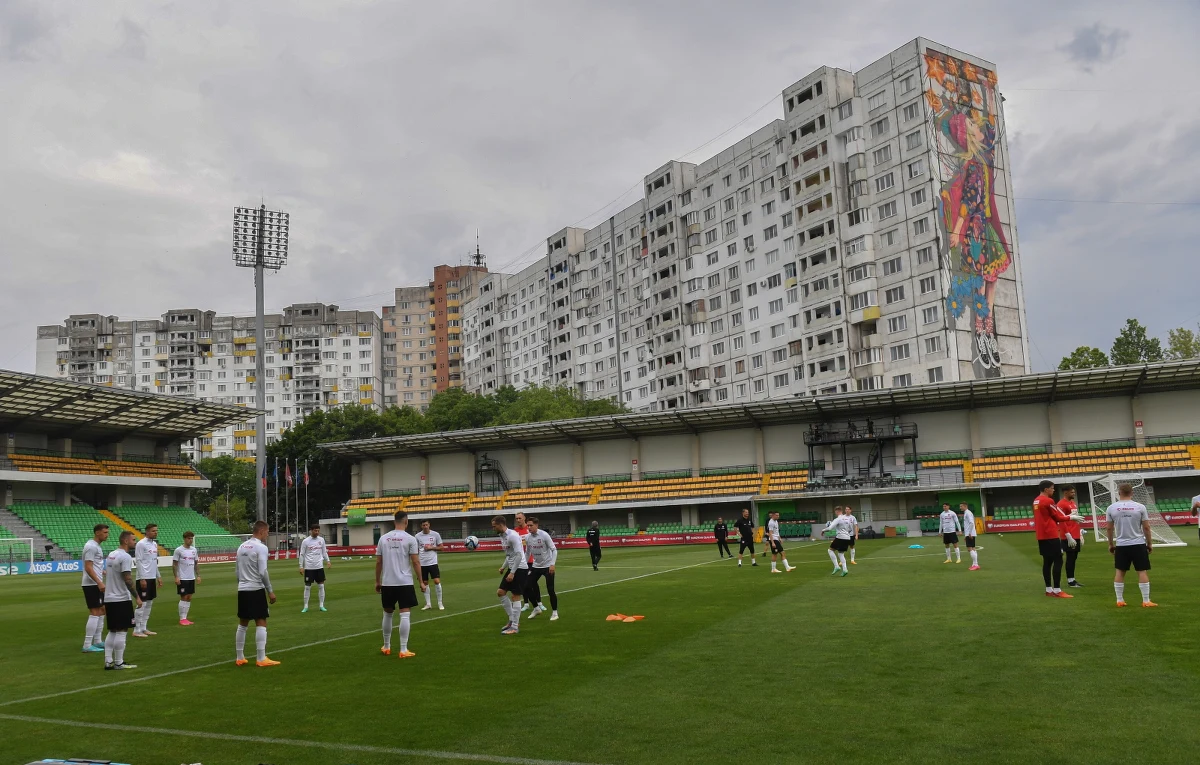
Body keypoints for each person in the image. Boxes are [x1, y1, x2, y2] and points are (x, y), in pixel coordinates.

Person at [375, 510, 424, 657]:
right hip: (404, 582)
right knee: (405, 615)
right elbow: (415, 561)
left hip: (388, 582)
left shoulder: (383, 538)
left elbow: (378, 562)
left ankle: (386, 646)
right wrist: (421, 581)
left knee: (387, 614)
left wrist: (378, 581)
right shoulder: (410, 539)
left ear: (393, 521)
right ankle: (403, 649)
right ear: (406, 521)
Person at [235, 520, 279, 667]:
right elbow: (263, 571)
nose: (267, 535)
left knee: (243, 623)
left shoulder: (241, 547)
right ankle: (261, 658)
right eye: (267, 532)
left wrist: (241, 584)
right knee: (261, 621)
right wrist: (270, 591)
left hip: (242, 588)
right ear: (261, 531)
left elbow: (236, 571)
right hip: (255, 588)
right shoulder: (261, 547)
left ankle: (240, 657)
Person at [1106, 483, 1156, 607]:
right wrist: (1149, 543)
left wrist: (1111, 544)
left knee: (1120, 572)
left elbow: (1109, 528)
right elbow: (1146, 527)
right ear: (1132, 493)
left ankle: (1119, 600)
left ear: (1119, 493)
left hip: (1122, 544)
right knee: (1142, 571)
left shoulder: (1111, 508)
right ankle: (1146, 601)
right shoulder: (1140, 507)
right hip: (1138, 543)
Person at [1034, 480, 1083, 598]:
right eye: (1052, 488)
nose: (1053, 490)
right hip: (1050, 534)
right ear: (1046, 489)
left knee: (1047, 562)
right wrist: (1071, 517)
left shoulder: (1036, 500)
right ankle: (1057, 590)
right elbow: (1056, 517)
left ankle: (1048, 589)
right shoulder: (1048, 500)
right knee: (1058, 560)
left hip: (1041, 535)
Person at [102, 531, 141, 670]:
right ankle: (119, 662)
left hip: (109, 597)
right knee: (122, 630)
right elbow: (127, 579)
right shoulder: (125, 557)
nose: (135, 542)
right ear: (126, 541)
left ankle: (108, 661)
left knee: (112, 630)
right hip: (120, 598)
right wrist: (136, 596)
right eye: (133, 540)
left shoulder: (111, 554)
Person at [493, 515, 529, 635]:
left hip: (520, 568)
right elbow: (510, 554)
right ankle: (512, 619)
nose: (493, 528)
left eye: (494, 526)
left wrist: (512, 572)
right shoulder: (502, 536)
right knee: (501, 592)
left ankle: (514, 627)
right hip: (512, 567)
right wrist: (503, 567)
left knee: (515, 596)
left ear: (500, 524)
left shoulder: (513, 536)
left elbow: (519, 555)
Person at [524, 516, 559, 621]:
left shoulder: (544, 535)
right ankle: (536, 608)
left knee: (550, 589)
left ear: (536, 525)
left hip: (547, 566)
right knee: (526, 587)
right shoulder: (527, 537)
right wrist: (524, 565)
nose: (529, 527)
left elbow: (554, 550)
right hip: (536, 566)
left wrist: (552, 564)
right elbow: (527, 552)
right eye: (528, 525)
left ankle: (555, 612)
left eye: (531, 525)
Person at [81, 523, 109, 653]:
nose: (107, 535)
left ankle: (97, 641)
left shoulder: (96, 546)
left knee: (102, 610)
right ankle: (87, 645)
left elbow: (95, 565)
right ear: (97, 533)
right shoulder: (91, 547)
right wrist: (99, 581)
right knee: (95, 611)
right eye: (104, 532)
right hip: (91, 584)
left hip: (95, 583)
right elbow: (88, 567)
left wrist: (102, 572)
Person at [133, 523, 163, 638]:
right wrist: (142, 578)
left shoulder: (154, 544)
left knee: (149, 602)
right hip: (144, 577)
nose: (156, 532)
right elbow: (139, 561)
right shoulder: (141, 544)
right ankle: (136, 629)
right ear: (147, 532)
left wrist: (158, 576)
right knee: (142, 603)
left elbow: (154, 561)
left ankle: (144, 627)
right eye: (153, 531)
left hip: (152, 577)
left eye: (156, 530)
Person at [298, 524, 331, 613]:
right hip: (309, 567)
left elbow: (324, 551)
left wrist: (328, 560)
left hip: (319, 566)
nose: (317, 532)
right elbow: (302, 554)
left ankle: (321, 605)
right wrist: (301, 566)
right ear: (311, 531)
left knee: (321, 586)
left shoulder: (321, 540)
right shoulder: (306, 541)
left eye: (318, 531)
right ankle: (305, 606)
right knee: (307, 587)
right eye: (315, 531)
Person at [415, 520, 445, 611]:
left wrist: (431, 547)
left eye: (426, 525)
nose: (425, 526)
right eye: (423, 525)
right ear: (421, 526)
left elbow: (442, 547)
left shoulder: (435, 534)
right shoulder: (417, 536)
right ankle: (428, 604)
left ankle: (440, 603)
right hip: (422, 563)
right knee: (425, 583)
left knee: (436, 581)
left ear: (429, 525)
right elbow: (415, 550)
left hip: (433, 562)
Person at [172, 531, 200, 626]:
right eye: (189, 538)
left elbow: (196, 563)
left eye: (192, 538)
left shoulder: (194, 550)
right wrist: (176, 577)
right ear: (184, 539)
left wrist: (198, 575)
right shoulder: (178, 550)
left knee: (189, 597)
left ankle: (185, 618)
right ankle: (182, 618)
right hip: (182, 578)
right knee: (183, 596)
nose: (190, 540)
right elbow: (174, 564)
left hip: (191, 577)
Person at [1057, 487, 1083, 587]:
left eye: (1074, 492)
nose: (1074, 493)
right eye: (1072, 492)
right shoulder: (1061, 504)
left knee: (1074, 557)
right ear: (1065, 492)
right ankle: (1070, 581)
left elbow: (1075, 520)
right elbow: (1062, 522)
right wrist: (1068, 536)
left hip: (1075, 534)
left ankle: (1073, 579)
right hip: (1069, 535)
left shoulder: (1073, 503)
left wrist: (1080, 533)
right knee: (1070, 557)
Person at [825, 507, 852, 576]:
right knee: (841, 554)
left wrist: (823, 530)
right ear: (842, 511)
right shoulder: (847, 519)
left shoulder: (837, 519)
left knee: (830, 550)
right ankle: (845, 569)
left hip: (840, 537)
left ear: (836, 511)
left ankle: (836, 566)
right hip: (847, 537)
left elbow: (830, 528)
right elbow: (850, 529)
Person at [960, 503, 980, 570]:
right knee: (973, 548)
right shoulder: (967, 513)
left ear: (965, 506)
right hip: (970, 533)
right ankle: (975, 564)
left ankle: (976, 564)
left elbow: (971, 523)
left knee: (970, 549)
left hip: (970, 533)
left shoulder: (968, 513)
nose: (960, 507)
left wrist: (969, 533)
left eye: (961, 506)